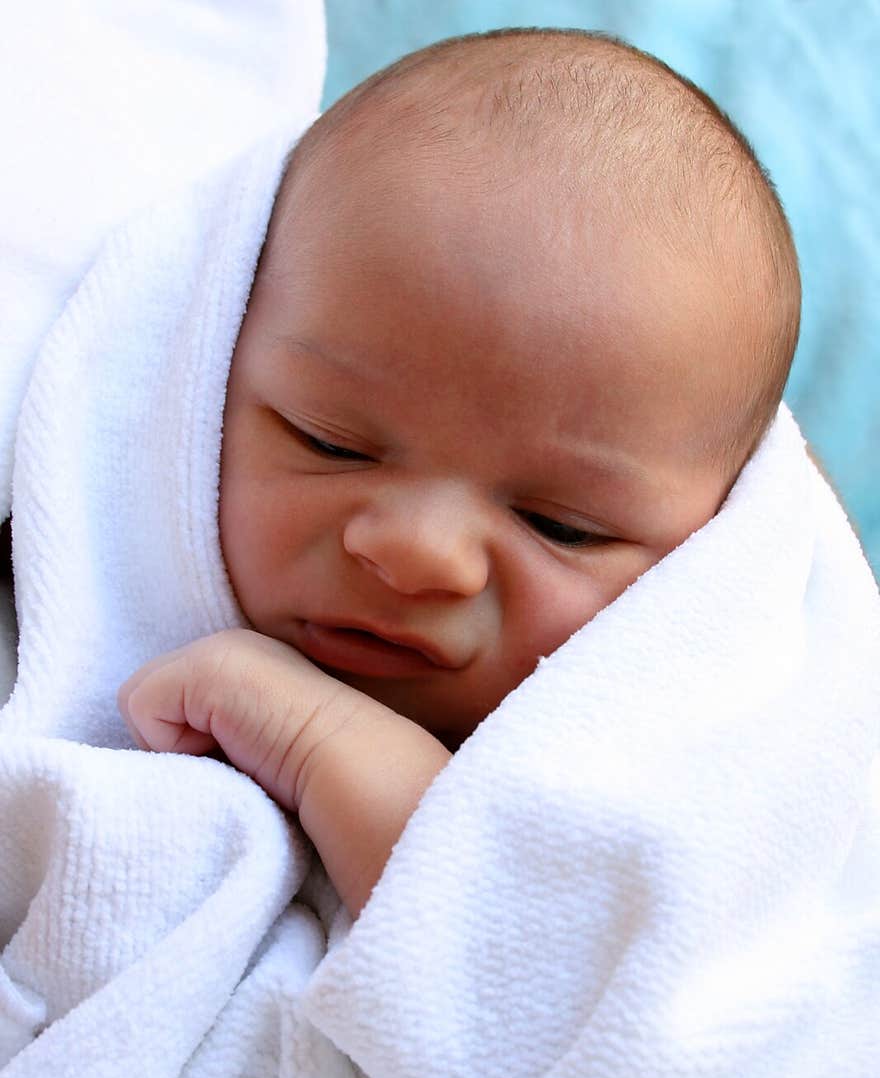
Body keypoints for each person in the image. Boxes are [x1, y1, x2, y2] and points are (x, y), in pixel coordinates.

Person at [118, 27, 802, 918]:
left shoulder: (727, 758)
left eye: (562, 525)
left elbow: (524, 970)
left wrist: (320, 741)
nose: (419, 555)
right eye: (331, 443)